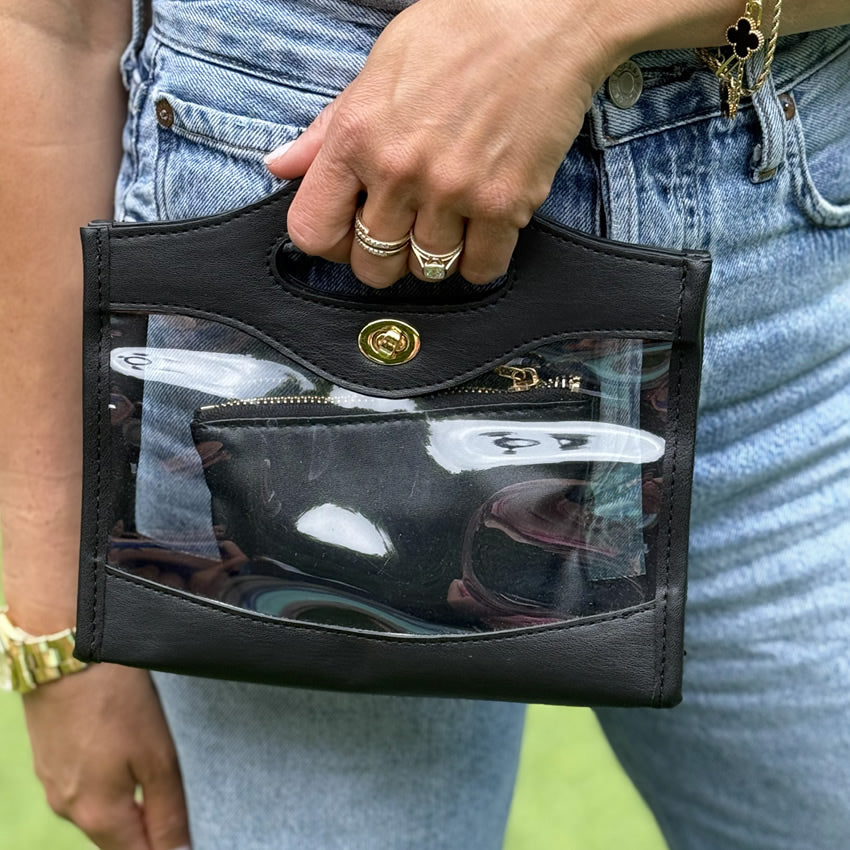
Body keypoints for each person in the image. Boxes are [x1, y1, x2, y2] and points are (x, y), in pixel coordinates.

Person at [1, 1, 849, 848]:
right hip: (275, 273)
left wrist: (564, 25)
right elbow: (50, 26)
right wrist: (53, 631)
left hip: (781, 307)